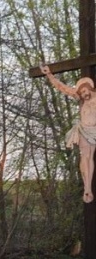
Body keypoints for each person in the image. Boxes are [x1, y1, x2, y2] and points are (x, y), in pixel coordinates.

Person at [41, 64, 96, 203]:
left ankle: (88, 186)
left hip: (94, 131)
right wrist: (49, 75)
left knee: (90, 158)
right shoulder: (81, 99)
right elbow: (63, 88)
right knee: (85, 156)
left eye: (85, 91)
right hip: (83, 130)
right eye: (82, 92)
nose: (84, 94)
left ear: (91, 88)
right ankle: (87, 188)